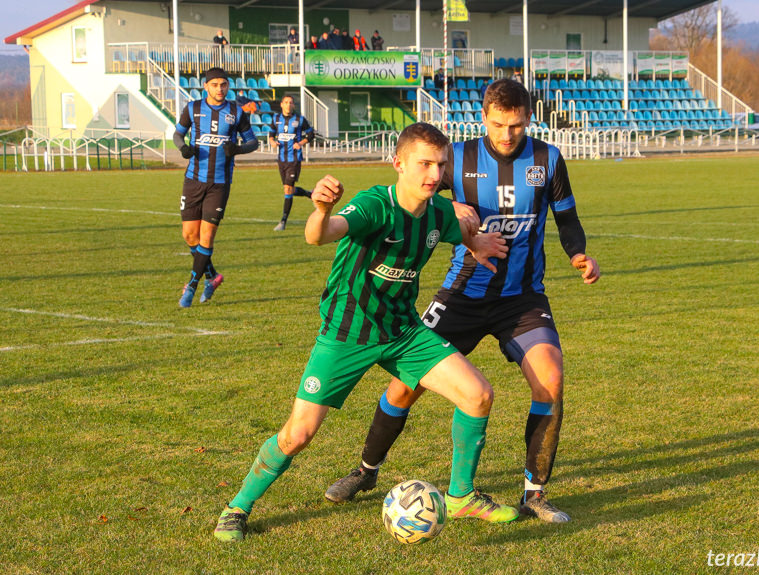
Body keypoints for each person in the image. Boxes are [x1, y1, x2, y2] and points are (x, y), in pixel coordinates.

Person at [213, 122, 516, 542]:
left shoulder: (439, 213)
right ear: (399, 164)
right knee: (298, 434)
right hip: (347, 332)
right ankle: (237, 507)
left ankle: (461, 495)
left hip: (401, 331)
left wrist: (476, 242)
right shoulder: (376, 205)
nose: (433, 173)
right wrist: (320, 210)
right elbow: (321, 235)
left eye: (440, 165)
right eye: (424, 163)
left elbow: (459, 229)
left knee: (478, 393)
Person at [324, 79, 601, 524]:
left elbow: (567, 217)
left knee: (550, 378)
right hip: (463, 294)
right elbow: (417, 189)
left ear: (529, 118)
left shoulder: (548, 159)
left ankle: (534, 492)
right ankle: (366, 470)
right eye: (498, 124)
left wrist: (579, 254)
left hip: (522, 298)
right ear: (484, 117)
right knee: (405, 385)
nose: (507, 134)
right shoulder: (460, 158)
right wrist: (450, 208)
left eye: (516, 125)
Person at [173, 67, 259, 308]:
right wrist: (183, 148)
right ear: (206, 86)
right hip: (193, 180)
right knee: (189, 234)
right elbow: (177, 135)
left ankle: (191, 286)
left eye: (224, 84)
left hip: (220, 183)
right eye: (215, 85)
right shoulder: (193, 108)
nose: (220, 89)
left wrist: (238, 149)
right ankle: (212, 277)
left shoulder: (236, 112)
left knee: (207, 235)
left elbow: (253, 141)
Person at [269, 94, 315, 230]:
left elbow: (311, 134)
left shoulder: (300, 119)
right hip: (281, 160)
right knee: (289, 189)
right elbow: (271, 134)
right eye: (286, 102)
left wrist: (300, 143)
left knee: (288, 189)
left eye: (291, 102)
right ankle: (309, 194)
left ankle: (283, 221)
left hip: (294, 159)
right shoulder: (276, 118)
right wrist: (272, 142)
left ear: (293, 105)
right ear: (282, 104)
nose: (288, 105)